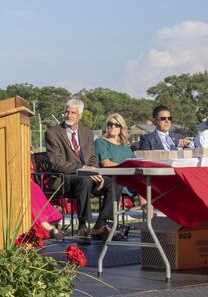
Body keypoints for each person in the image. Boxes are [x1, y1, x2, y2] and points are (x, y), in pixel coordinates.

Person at [45, 98, 115, 244]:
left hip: (87, 177)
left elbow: (92, 159)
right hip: (64, 178)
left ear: (80, 115)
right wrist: (84, 170)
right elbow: (56, 163)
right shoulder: (53, 133)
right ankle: (83, 226)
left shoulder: (87, 132)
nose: (69, 115)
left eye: (73, 113)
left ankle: (100, 225)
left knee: (114, 183)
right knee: (85, 180)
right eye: (67, 111)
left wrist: (95, 171)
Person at [95, 113, 152, 217]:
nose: (113, 126)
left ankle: (148, 214)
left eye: (116, 125)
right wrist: (128, 167)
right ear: (106, 125)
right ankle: (147, 212)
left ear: (121, 128)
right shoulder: (101, 142)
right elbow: (106, 163)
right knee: (141, 182)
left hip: (130, 178)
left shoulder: (125, 146)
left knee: (147, 181)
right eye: (110, 124)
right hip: (113, 179)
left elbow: (135, 163)